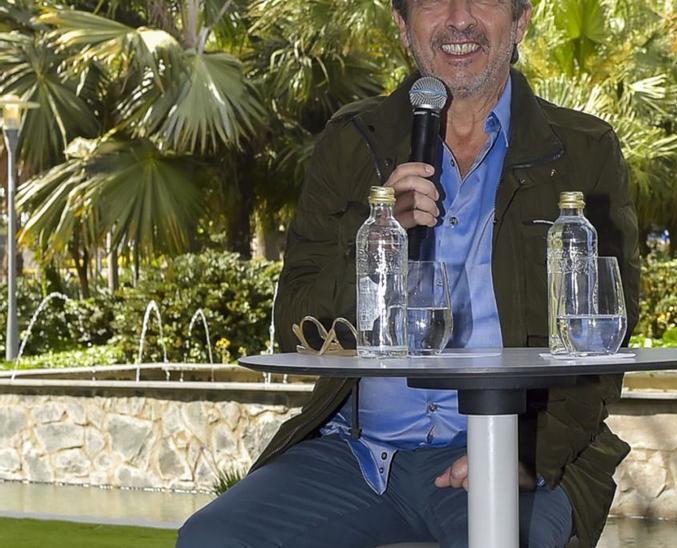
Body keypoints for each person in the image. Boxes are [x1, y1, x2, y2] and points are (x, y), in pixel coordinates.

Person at [177, 0, 640, 546]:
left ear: (520, 21)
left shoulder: (583, 149)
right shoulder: (352, 141)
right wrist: (379, 244)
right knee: (214, 538)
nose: (458, 19)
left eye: (483, 0)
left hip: (504, 446)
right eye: (432, 2)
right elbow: (294, 321)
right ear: (403, 27)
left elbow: (606, 339)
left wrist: (529, 453)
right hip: (354, 454)